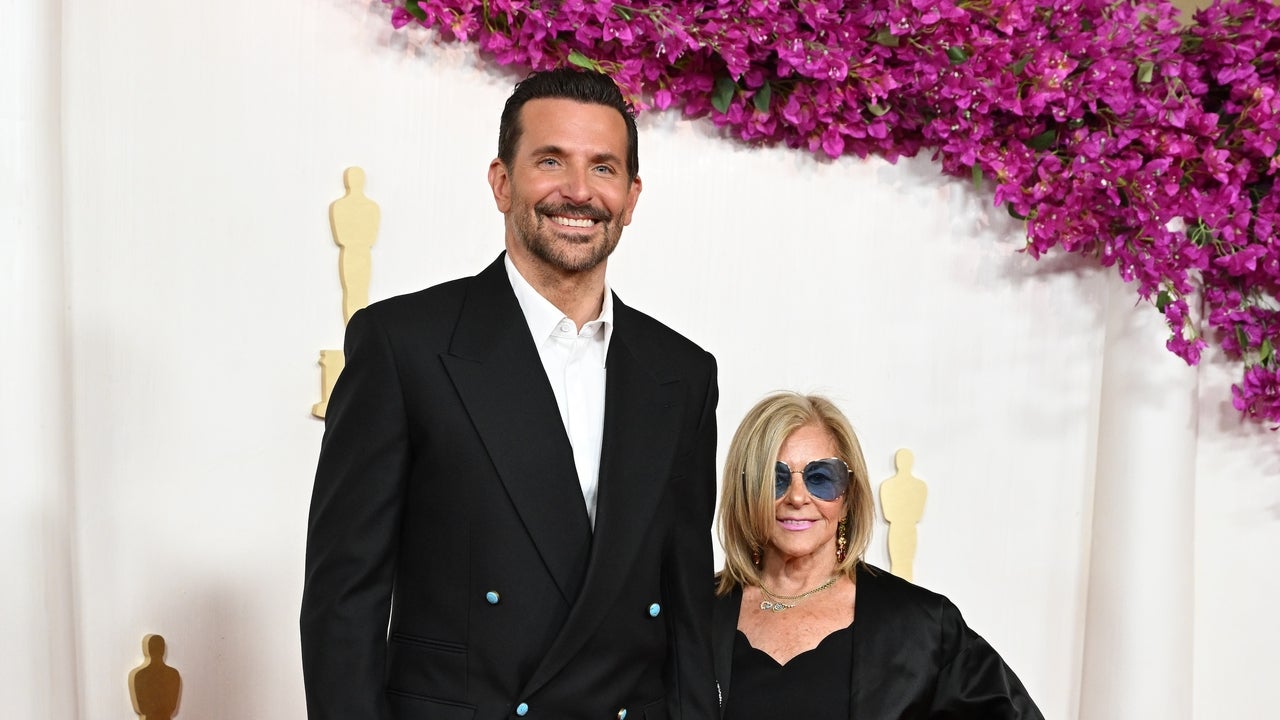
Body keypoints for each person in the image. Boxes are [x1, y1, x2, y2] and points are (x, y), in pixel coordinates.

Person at [301, 68, 720, 720]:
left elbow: (687, 606)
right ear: (502, 182)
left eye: (604, 169)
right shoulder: (403, 346)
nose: (579, 191)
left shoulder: (682, 373)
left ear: (632, 197)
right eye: (551, 161)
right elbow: (343, 604)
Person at [713, 392, 1042, 719]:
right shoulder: (697, 614)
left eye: (821, 478)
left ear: (847, 497)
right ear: (745, 491)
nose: (798, 497)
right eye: (775, 479)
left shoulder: (921, 627)